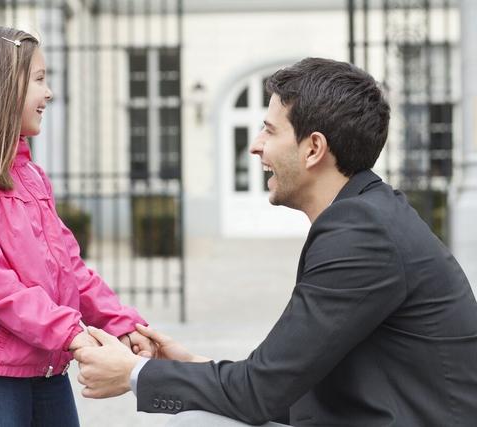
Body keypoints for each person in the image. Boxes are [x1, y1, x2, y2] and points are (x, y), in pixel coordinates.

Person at [73, 57, 477, 426]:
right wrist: (192, 365)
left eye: (269, 129)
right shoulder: (366, 214)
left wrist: (132, 373)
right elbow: (284, 386)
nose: (255, 146)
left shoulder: (361, 233)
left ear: (313, 148)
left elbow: (260, 394)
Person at [0, 24, 154, 427]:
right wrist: (72, 334)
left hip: (44, 363)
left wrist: (122, 322)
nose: (49, 93)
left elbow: (71, 270)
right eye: (39, 80)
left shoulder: (32, 177)